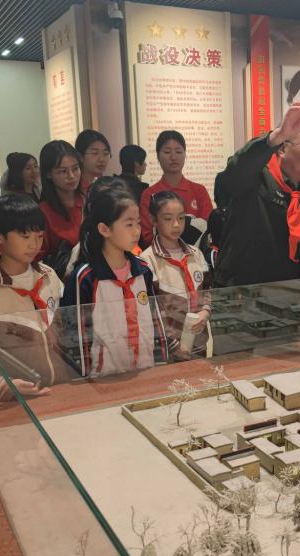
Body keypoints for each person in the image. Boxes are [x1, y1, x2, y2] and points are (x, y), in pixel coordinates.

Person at [60, 178, 166, 377]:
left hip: (145, 371)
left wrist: (161, 365)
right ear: (104, 229)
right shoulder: (86, 277)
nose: (136, 231)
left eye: (138, 223)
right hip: (103, 379)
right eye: (128, 224)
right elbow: (76, 335)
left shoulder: (143, 269)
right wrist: (85, 381)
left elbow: (155, 322)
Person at [214, 97, 300, 287]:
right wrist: (277, 136)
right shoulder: (255, 179)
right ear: (282, 149)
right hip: (240, 291)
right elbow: (236, 170)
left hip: (285, 294)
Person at [0, 194, 63, 393]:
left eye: (39, 236)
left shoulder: (49, 275)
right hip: (18, 393)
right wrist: (3, 384)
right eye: (25, 236)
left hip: (62, 386)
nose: (34, 245)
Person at [140, 190, 212, 359]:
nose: (176, 225)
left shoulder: (196, 254)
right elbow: (152, 311)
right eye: (168, 219)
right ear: (154, 220)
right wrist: (173, 344)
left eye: (181, 218)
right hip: (167, 350)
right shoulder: (147, 260)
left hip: (198, 342)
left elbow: (208, 289)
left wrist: (205, 312)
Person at [139, 131, 213, 247]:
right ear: (158, 156)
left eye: (178, 152)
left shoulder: (199, 191)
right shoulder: (149, 194)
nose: (173, 157)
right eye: (167, 152)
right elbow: (147, 235)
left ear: (185, 154)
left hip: (196, 255)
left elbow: (208, 229)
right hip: (160, 256)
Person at [38, 140, 85, 275]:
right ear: (48, 174)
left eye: (75, 169)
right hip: (62, 279)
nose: (71, 176)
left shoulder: (89, 201)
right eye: (63, 171)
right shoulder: (42, 212)